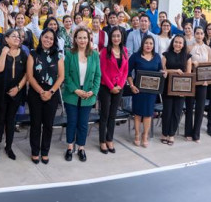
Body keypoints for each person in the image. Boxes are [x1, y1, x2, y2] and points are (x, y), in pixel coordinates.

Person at [62, 28, 100, 162]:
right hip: (72, 94)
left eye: (85, 38)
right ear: (75, 39)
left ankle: (81, 148)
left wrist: (94, 91)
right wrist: (76, 90)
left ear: (89, 39)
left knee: (83, 123)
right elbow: (66, 76)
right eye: (80, 37)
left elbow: (98, 76)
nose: (82, 40)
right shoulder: (70, 54)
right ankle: (70, 147)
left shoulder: (94, 55)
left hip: (88, 94)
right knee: (72, 122)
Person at [26, 28, 64, 163]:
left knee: (48, 124)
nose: (48, 40)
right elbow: (30, 76)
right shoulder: (33, 54)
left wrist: (51, 92)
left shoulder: (58, 55)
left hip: (52, 93)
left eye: (51, 38)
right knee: (35, 123)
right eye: (46, 37)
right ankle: (35, 151)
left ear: (54, 41)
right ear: (41, 37)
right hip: (36, 92)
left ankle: (45, 151)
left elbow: (61, 76)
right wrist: (41, 92)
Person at [0, 28, 27, 161]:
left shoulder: (23, 54)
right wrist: (4, 52)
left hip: (16, 93)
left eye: (19, 37)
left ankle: (9, 147)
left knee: (11, 120)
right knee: (0, 119)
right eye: (14, 36)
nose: (17, 38)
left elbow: (27, 74)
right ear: (6, 39)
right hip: (0, 92)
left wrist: (18, 88)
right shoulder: (1, 51)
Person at [128, 35, 161, 147]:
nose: (148, 45)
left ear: (153, 45)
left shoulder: (157, 57)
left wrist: (163, 73)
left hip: (151, 92)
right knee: (137, 114)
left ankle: (145, 135)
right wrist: (132, 85)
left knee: (148, 114)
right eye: (146, 43)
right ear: (142, 44)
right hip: (138, 90)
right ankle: (137, 135)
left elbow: (160, 70)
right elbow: (128, 73)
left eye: (151, 43)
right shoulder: (135, 56)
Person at [98, 26, 127, 154]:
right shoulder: (105, 51)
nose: (116, 38)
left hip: (119, 87)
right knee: (105, 115)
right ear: (110, 37)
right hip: (106, 87)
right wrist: (111, 87)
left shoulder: (125, 50)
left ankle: (110, 139)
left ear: (121, 37)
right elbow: (102, 71)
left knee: (113, 115)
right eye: (114, 36)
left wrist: (119, 85)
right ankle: (102, 141)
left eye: (118, 36)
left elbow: (125, 71)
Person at [160, 35, 191, 145]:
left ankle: (171, 134)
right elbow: (162, 71)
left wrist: (186, 90)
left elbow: (188, 74)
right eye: (176, 42)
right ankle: (164, 133)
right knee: (167, 111)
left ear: (183, 45)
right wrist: (174, 70)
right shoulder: (166, 55)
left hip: (181, 88)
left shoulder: (187, 57)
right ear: (172, 42)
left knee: (177, 112)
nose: (178, 44)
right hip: (167, 87)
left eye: (180, 43)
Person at [185, 28, 211, 142]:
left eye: (201, 33)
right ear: (194, 34)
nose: (199, 35)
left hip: (203, 81)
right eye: (197, 33)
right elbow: (186, 64)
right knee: (190, 106)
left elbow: (210, 64)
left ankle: (196, 134)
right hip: (192, 81)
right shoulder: (189, 47)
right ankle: (188, 132)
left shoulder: (208, 49)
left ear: (204, 35)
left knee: (200, 108)